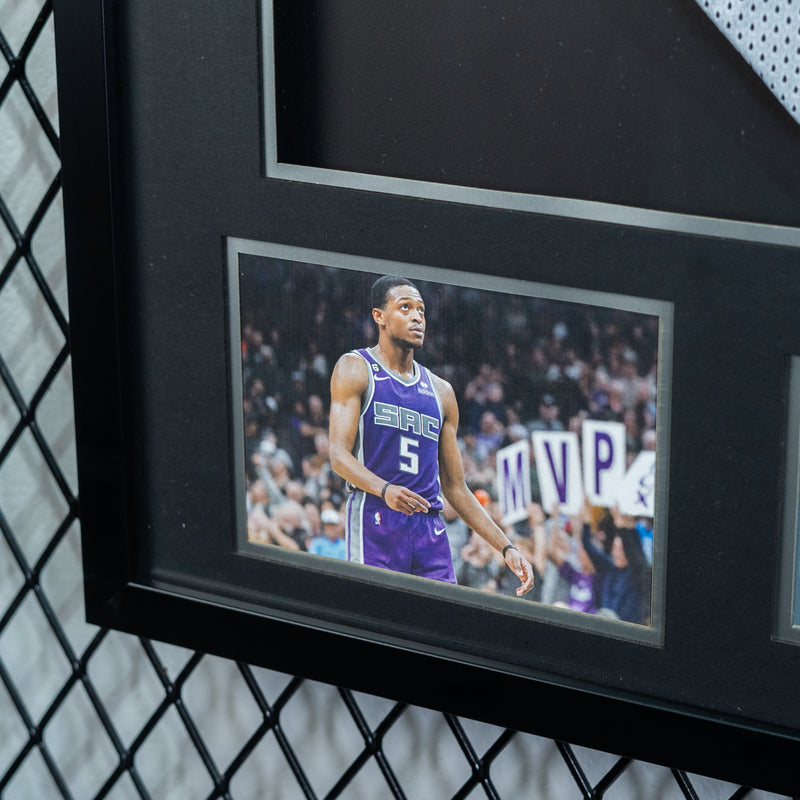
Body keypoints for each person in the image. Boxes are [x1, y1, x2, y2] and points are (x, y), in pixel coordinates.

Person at [328, 275, 533, 595]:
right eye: (405, 307)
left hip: (429, 528)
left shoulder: (442, 391)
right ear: (378, 316)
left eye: (421, 310)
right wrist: (384, 490)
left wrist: (506, 547)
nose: (416, 316)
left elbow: (455, 487)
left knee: (441, 623)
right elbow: (338, 456)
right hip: (376, 515)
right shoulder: (355, 368)